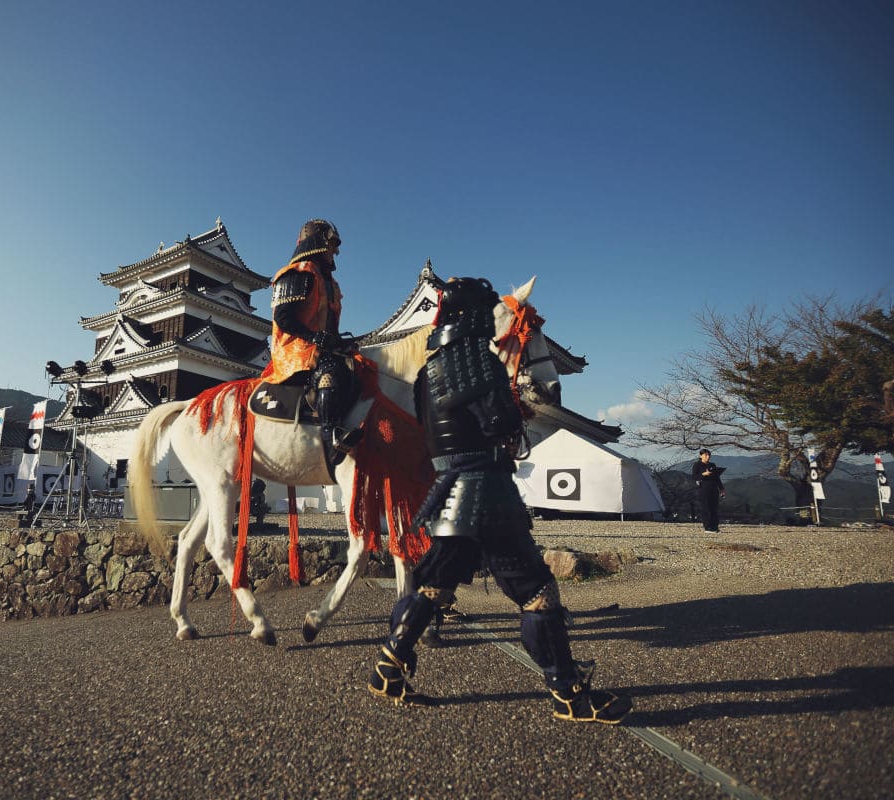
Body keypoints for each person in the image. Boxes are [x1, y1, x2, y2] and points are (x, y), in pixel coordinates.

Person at [366, 275, 632, 724]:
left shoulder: (427, 372)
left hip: (448, 492)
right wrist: (515, 404)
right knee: (536, 590)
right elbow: (502, 425)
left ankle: (388, 667)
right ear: (473, 315)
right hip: (487, 491)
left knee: (431, 585)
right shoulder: (480, 363)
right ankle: (566, 690)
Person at [265, 219, 359, 465]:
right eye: (331, 244)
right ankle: (331, 437)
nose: (335, 251)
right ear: (317, 243)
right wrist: (314, 337)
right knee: (330, 372)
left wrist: (340, 342)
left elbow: (328, 326)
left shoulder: (328, 282)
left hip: (322, 346)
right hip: (296, 349)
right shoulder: (299, 274)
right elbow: (282, 318)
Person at [692, 448, 725, 532]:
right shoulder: (697, 464)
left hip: (714, 488)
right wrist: (703, 474)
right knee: (706, 508)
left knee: (714, 508)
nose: (708, 456)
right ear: (701, 456)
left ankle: (715, 527)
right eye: (706, 455)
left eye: (709, 455)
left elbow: (717, 478)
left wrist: (721, 489)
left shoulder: (712, 465)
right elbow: (694, 477)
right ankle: (707, 527)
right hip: (704, 488)